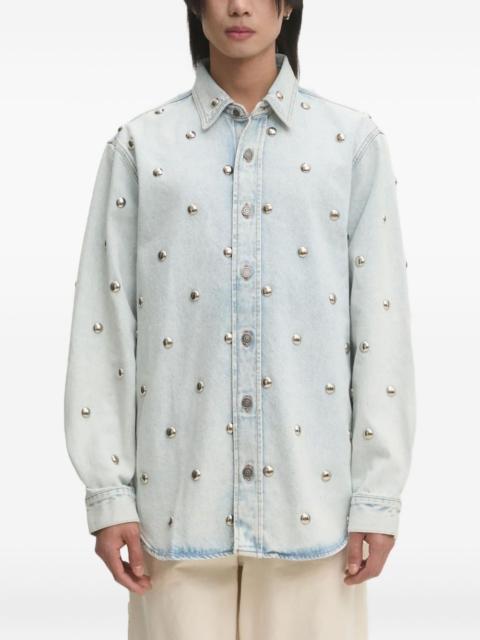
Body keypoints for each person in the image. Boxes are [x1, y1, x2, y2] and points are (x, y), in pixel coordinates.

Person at [63, 1, 416, 638]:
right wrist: (108, 493)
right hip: (175, 511)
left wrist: (377, 496)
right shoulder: (142, 147)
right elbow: (104, 323)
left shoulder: (349, 144)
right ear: (194, 6)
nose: (238, 6)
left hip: (315, 510)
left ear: (288, 6)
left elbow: (380, 325)